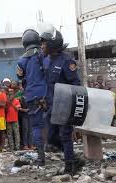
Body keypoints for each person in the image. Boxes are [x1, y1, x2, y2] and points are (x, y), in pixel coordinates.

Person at [40, 27, 85, 175]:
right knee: (51, 138)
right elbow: (48, 83)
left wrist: (73, 106)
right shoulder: (46, 61)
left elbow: (76, 84)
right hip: (52, 105)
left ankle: (69, 166)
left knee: (65, 135)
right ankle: (75, 159)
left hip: (65, 105)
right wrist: (45, 100)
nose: (42, 46)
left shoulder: (66, 61)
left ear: (52, 44)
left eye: (44, 43)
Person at [17, 29, 47, 165]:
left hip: (31, 97)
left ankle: (41, 158)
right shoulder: (43, 55)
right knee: (55, 123)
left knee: (36, 127)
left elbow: (19, 76)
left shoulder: (21, 59)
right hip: (47, 94)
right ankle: (62, 151)